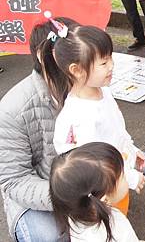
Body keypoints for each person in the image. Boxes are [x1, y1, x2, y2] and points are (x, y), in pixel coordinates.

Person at [39, 20, 145, 200]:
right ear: (77, 70)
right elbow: (95, 163)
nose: (111, 66)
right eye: (103, 63)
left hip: (115, 158)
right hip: (97, 175)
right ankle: (108, 202)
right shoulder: (81, 117)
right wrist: (130, 178)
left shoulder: (103, 91)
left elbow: (117, 129)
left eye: (110, 57)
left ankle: (117, 195)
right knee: (111, 210)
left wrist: (132, 150)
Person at [0, 17, 78, 242]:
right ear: (45, 59)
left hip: (78, 176)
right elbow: (14, 179)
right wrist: (69, 197)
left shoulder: (86, 86)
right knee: (47, 236)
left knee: (144, 165)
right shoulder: (12, 109)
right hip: (41, 186)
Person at [50, 142, 145, 242]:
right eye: (123, 176)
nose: (126, 177)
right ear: (105, 199)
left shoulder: (76, 216)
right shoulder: (117, 228)